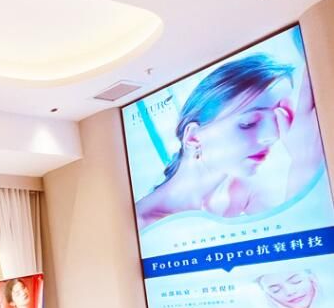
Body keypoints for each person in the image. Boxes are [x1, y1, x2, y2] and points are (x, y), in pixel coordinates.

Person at [134, 52, 323, 227]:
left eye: (278, 118)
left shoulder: (244, 189)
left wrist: (303, 160)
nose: (273, 135)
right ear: (193, 137)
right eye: (248, 123)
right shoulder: (144, 224)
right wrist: (304, 163)